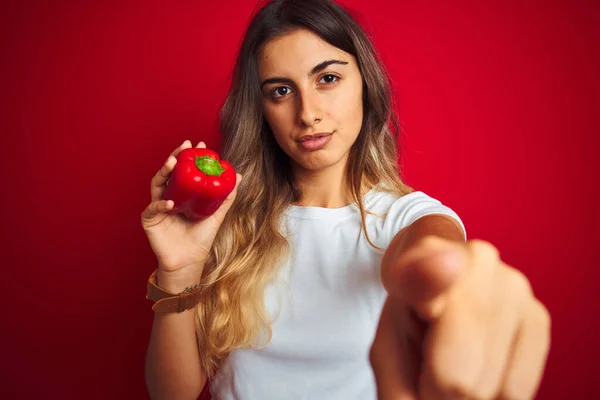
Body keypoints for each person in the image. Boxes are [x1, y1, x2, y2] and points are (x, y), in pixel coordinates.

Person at [141, 0, 551, 399]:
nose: (308, 113)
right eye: (281, 91)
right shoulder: (224, 219)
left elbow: (430, 254)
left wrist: (451, 277)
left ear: (365, 84)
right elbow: (171, 394)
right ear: (261, 109)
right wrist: (179, 267)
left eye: (328, 79)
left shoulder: (406, 217)